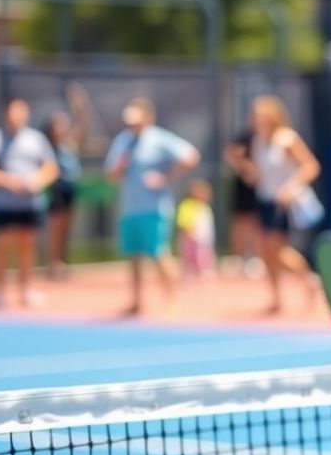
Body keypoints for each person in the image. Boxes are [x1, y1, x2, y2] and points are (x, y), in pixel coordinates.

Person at [104, 97, 200, 316]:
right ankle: (137, 302)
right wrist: (118, 168)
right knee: (134, 256)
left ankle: (172, 300)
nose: (132, 124)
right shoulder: (123, 141)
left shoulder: (159, 139)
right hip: (130, 208)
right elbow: (111, 175)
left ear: (147, 118)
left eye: (136, 120)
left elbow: (191, 156)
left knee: (159, 253)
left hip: (154, 208)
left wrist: (165, 177)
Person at [247, 95, 320, 314]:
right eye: (256, 116)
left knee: (277, 250)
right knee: (264, 251)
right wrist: (243, 166)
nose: (258, 120)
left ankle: (308, 280)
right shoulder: (258, 141)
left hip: (283, 203)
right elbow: (259, 175)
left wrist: (291, 188)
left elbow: (310, 166)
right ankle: (276, 297)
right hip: (264, 199)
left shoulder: (287, 139)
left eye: (262, 116)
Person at [0, 98, 59, 309]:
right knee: (2, 247)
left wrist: (36, 181)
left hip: (30, 204)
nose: (16, 117)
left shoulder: (36, 140)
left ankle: (26, 289)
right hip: (3, 203)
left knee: (27, 246)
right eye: (12, 112)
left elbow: (51, 168)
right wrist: (8, 181)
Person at [44, 83, 90, 279]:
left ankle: (61, 261)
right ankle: (53, 264)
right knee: (56, 228)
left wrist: (80, 104)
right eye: (58, 124)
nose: (62, 127)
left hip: (71, 190)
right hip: (57, 191)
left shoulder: (69, 144)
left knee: (66, 229)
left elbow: (82, 123)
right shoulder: (48, 147)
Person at [223, 119, 262, 277]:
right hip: (244, 189)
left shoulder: (272, 140)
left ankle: (255, 258)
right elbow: (230, 154)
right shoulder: (245, 138)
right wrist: (245, 168)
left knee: (258, 224)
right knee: (241, 222)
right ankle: (241, 259)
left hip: (264, 189)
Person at [175, 178, 216, 281]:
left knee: (203, 259)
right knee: (189, 260)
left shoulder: (205, 208)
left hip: (203, 241)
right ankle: (189, 276)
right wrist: (188, 236)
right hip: (190, 240)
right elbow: (183, 224)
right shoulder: (186, 206)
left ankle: (203, 275)